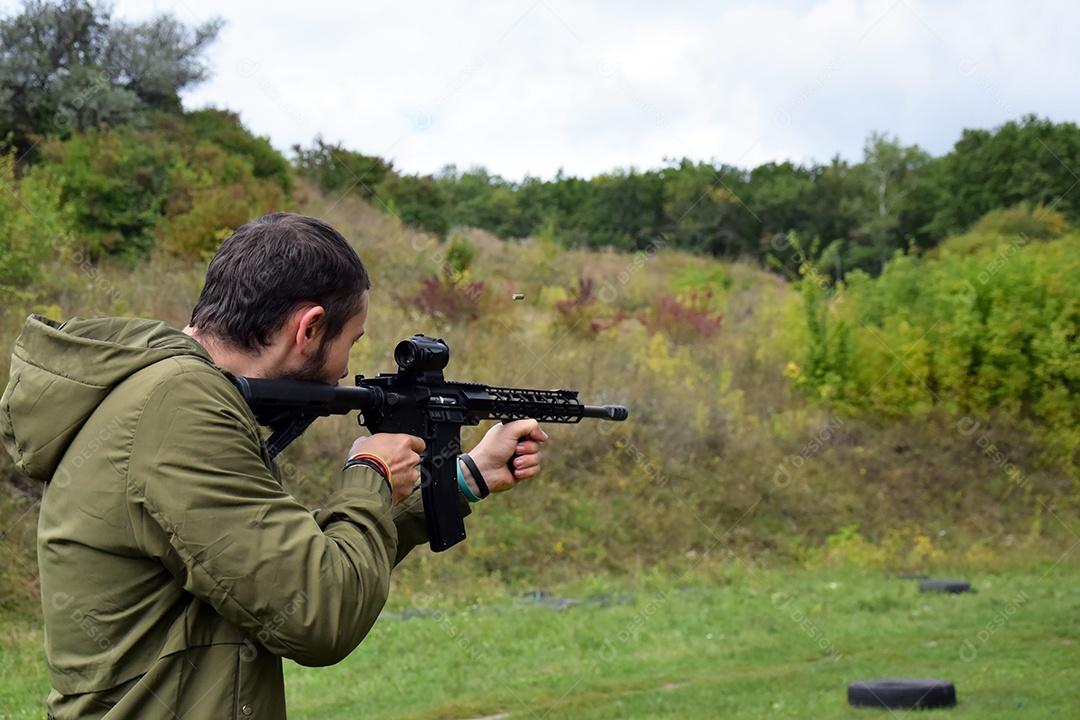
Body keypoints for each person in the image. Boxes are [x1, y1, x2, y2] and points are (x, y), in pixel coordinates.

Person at [0, 212, 548, 719]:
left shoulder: (168, 393)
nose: (347, 370)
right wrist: (370, 474)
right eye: (350, 343)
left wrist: (460, 482)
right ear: (308, 328)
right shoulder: (179, 406)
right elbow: (318, 610)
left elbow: (268, 565)